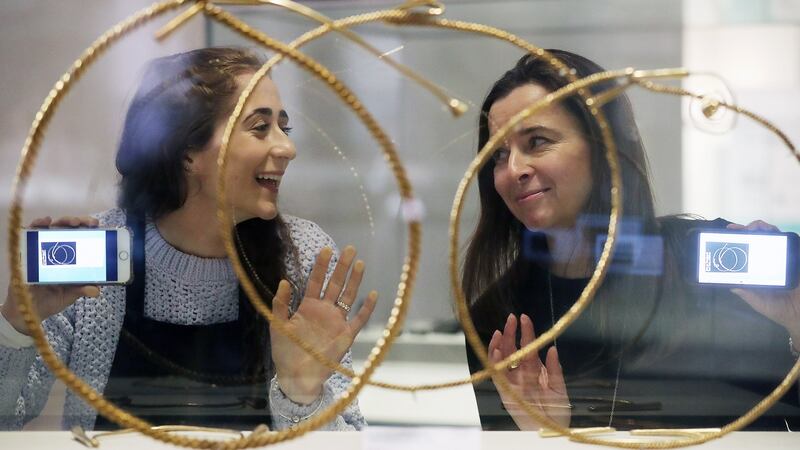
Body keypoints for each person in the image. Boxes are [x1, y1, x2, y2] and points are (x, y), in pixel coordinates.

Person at [0, 47, 377, 431]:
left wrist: (302, 395)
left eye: (284, 128)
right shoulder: (97, 257)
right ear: (186, 153)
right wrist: (14, 328)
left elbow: (349, 438)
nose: (287, 148)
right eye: (260, 127)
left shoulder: (302, 255)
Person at [462, 49, 800, 431]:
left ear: (606, 147)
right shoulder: (498, 317)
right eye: (498, 154)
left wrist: (796, 327)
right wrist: (550, 435)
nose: (514, 170)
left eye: (537, 141)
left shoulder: (715, 262)